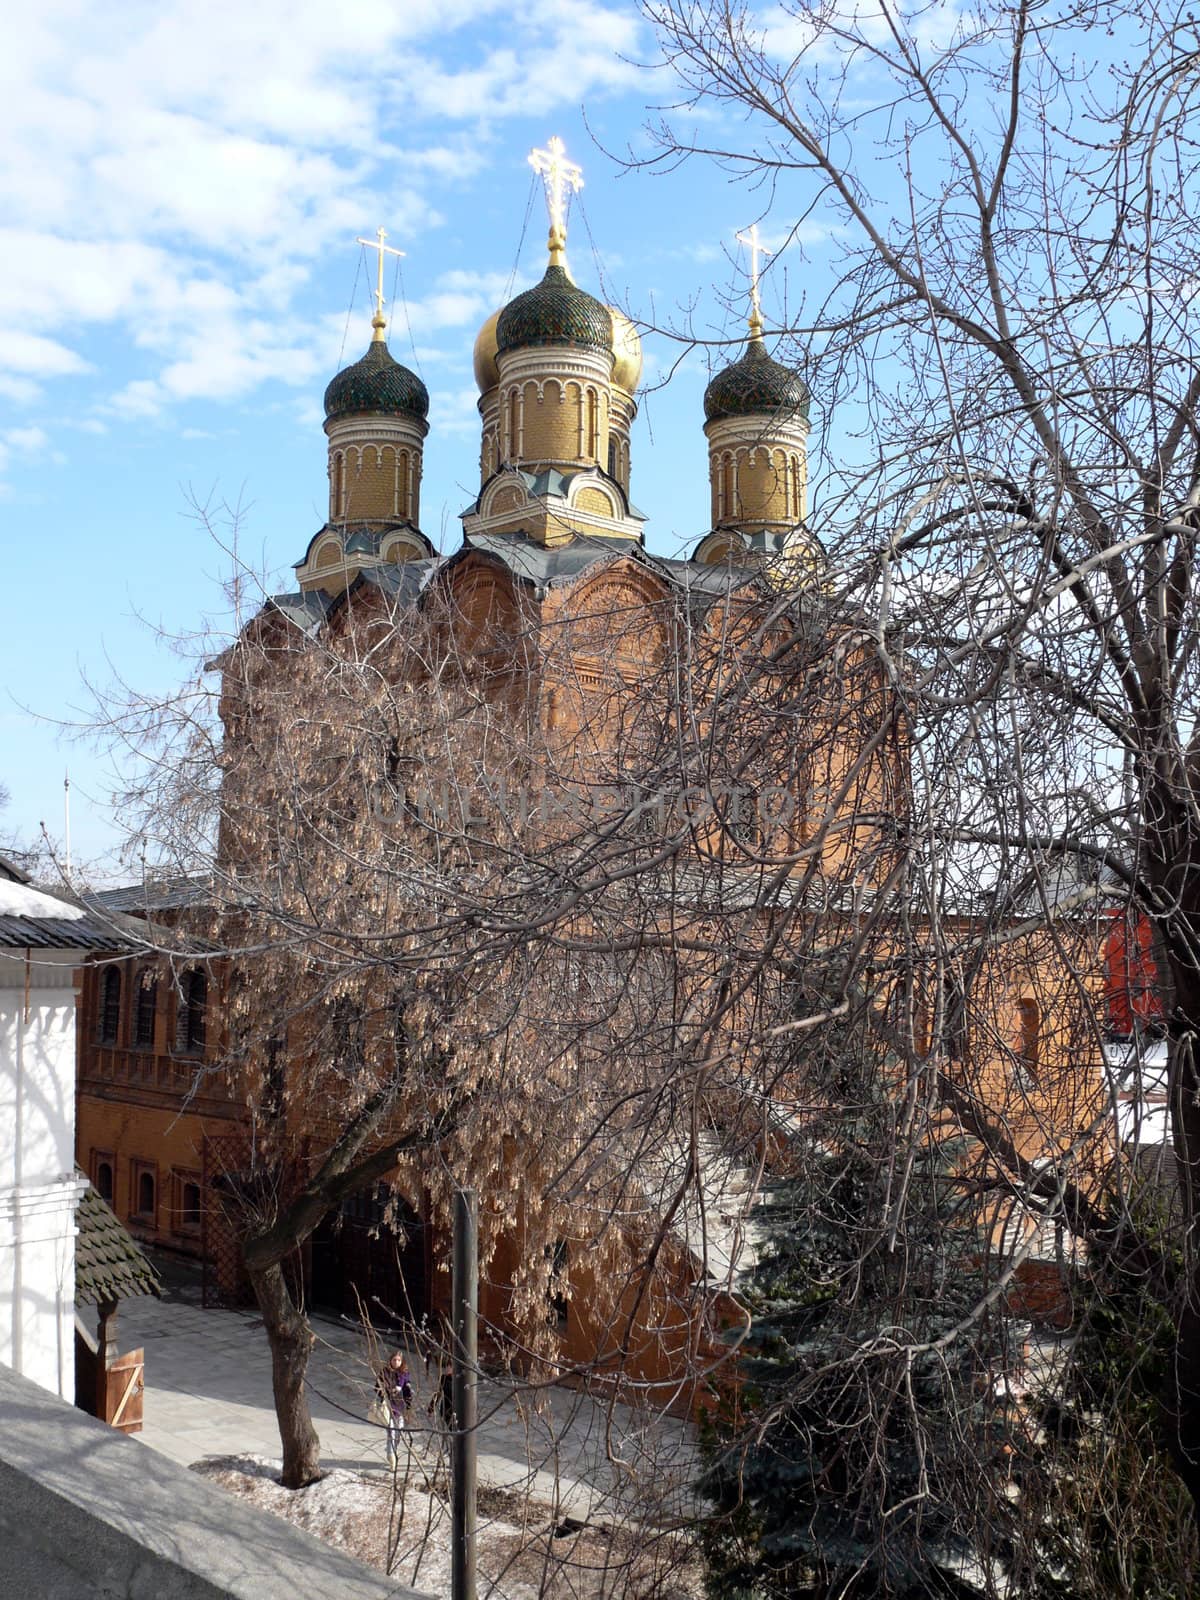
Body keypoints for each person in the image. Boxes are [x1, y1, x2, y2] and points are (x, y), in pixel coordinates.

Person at [378, 1351, 413, 1467]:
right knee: (391, 1433)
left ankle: (393, 1450)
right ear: (390, 1360)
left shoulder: (404, 1374)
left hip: (400, 1407)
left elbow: (408, 1392)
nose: (396, 1362)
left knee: (399, 1433)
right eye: (394, 1360)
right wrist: (386, 1392)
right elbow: (377, 1388)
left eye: (399, 1360)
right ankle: (391, 1455)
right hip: (389, 1406)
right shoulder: (385, 1372)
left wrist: (408, 1406)